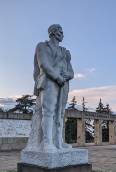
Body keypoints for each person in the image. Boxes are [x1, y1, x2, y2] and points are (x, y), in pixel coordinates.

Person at [26, 24, 74, 152]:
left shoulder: (65, 52)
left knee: (60, 114)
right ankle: (47, 142)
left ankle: (59, 141)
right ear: (52, 32)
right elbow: (44, 65)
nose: (63, 34)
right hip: (49, 82)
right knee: (48, 112)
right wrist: (57, 77)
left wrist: (67, 75)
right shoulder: (42, 46)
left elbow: (71, 72)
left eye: (63, 32)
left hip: (63, 84)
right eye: (60, 31)